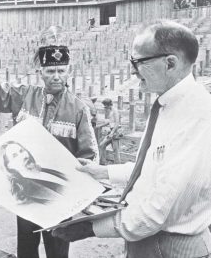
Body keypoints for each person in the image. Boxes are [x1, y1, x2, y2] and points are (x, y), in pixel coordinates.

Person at [52, 20, 211, 258]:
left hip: (170, 247)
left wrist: (90, 227)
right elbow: (154, 171)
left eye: (138, 62)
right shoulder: (168, 104)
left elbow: (159, 210)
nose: (132, 71)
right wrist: (103, 172)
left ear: (170, 63)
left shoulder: (197, 115)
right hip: (148, 240)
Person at [0, 27, 99, 258]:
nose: (56, 76)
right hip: (25, 192)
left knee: (57, 249)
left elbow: (90, 155)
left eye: (61, 70)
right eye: (51, 71)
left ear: (69, 72)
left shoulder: (78, 109)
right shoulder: (25, 95)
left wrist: (79, 192)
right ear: (41, 72)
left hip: (59, 194)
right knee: (26, 247)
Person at [1, 141, 68, 205]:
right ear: (9, 166)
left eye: (22, 151)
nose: (24, 156)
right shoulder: (23, 195)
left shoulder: (46, 170)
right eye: (15, 156)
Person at [99, 98, 121, 165]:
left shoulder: (115, 111)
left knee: (115, 150)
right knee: (102, 145)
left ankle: (118, 166)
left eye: (105, 106)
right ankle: (102, 163)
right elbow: (110, 121)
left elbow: (117, 123)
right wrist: (101, 126)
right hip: (111, 131)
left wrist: (112, 133)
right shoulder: (111, 111)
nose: (105, 107)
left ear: (108, 105)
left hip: (115, 132)